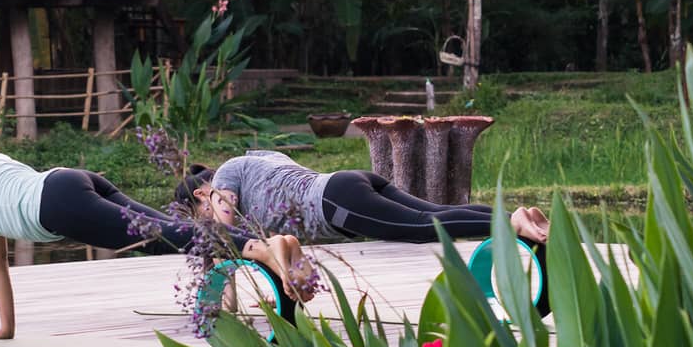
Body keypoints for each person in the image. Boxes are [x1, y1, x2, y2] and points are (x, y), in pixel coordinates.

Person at [0, 124, 309, 346]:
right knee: (167, 232)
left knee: (166, 235)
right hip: (68, 180)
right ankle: (270, 245)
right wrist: (4, 328)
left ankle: (260, 248)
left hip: (57, 204)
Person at [174, 149, 550, 246]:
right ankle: (518, 216)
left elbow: (223, 231)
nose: (205, 217)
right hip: (347, 182)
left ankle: (510, 223)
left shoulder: (224, 176)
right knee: (437, 211)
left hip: (335, 202)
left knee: (423, 227)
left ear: (201, 193)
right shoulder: (255, 157)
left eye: (199, 212)